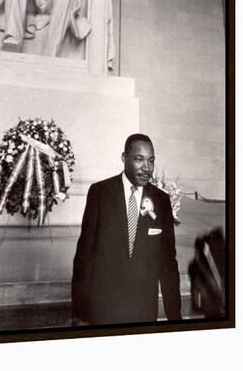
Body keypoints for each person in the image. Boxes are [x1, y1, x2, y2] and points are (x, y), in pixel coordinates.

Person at [71, 133, 182, 325]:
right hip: (103, 306)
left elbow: (168, 262)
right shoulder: (100, 193)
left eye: (151, 160)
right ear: (124, 158)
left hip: (143, 309)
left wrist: (174, 315)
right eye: (139, 159)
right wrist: (79, 311)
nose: (146, 168)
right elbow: (84, 255)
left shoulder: (161, 201)